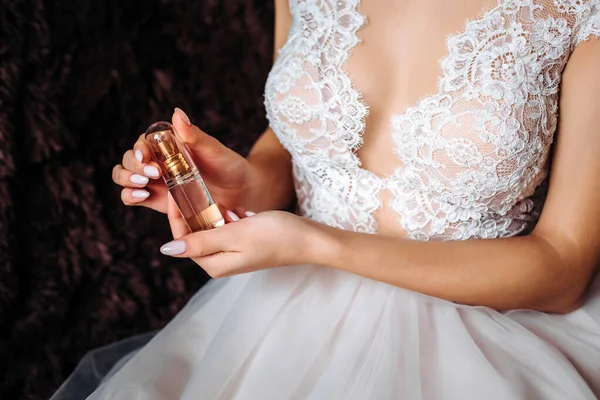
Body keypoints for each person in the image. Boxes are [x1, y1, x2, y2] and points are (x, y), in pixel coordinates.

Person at [52, 0, 600, 398]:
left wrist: (318, 244)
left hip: (487, 337)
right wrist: (243, 183)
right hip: (275, 316)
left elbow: (562, 267)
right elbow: (293, 145)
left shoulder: (581, 12)